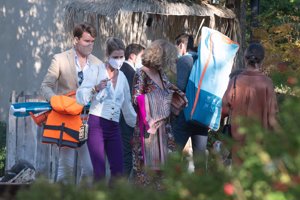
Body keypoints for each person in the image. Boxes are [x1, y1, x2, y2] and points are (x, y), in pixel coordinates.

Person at [40, 22, 101, 183]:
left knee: (89, 169)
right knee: (65, 168)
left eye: (93, 41)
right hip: (66, 119)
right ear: (76, 40)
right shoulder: (60, 59)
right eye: (87, 41)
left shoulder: (98, 63)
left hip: (86, 122)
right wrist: (55, 101)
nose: (91, 45)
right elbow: (46, 86)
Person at [76, 37, 136, 182]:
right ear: (108, 55)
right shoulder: (96, 70)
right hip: (96, 125)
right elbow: (80, 97)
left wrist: (139, 123)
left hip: (114, 127)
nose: (119, 60)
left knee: (118, 171)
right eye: (115, 57)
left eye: (121, 56)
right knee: (99, 172)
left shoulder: (122, 77)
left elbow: (127, 106)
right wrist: (95, 88)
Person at [132, 39, 183, 187]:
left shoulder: (162, 74)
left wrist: (175, 97)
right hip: (148, 131)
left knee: (167, 174)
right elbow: (136, 99)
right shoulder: (141, 73)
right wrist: (160, 100)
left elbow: (168, 92)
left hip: (165, 130)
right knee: (146, 176)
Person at [222, 42, 278, 163]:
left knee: (239, 177)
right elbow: (273, 114)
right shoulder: (267, 83)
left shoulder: (235, 80)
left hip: (238, 139)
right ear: (262, 60)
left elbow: (224, 109)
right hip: (259, 141)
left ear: (245, 58)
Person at [172, 33, 209, 170]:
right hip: (202, 114)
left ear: (181, 45)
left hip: (186, 114)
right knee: (200, 156)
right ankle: (201, 188)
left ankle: (170, 185)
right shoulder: (204, 61)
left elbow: (181, 87)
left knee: (175, 152)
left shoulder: (184, 61)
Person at [119, 43, 145, 177]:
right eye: (142, 57)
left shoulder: (120, 70)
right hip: (126, 122)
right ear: (133, 56)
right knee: (127, 161)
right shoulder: (131, 73)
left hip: (119, 121)